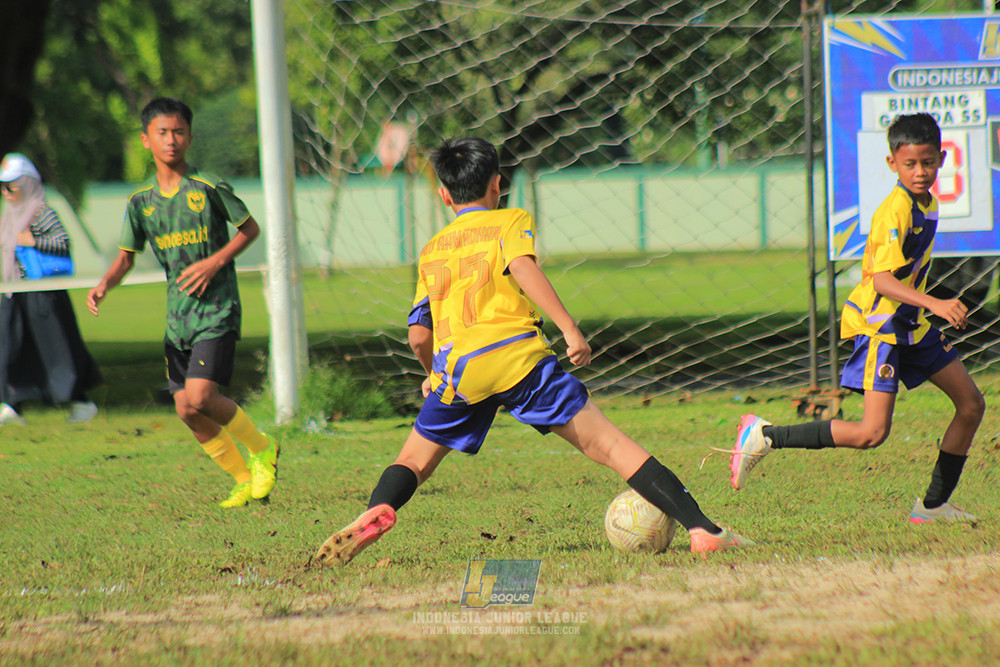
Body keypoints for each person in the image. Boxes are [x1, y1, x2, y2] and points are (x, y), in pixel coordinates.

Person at [315, 136, 752, 566]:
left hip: (459, 372)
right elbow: (522, 267)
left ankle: (374, 509)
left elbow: (417, 335)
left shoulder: (432, 250)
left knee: (412, 460)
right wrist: (570, 329)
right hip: (516, 360)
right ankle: (704, 530)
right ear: (497, 185)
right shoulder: (509, 220)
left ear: (443, 195)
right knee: (612, 446)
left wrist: (432, 373)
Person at [730, 113, 985, 524]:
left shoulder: (929, 202)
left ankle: (933, 507)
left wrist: (924, 308)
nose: (920, 172)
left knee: (971, 404)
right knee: (871, 433)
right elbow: (882, 281)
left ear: (941, 158)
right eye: (909, 164)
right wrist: (935, 302)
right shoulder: (895, 211)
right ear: (892, 164)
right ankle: (764, 436)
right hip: (880, 324)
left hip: (910, 324)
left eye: (928, 162)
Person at [86, 98, 278, 509]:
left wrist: (215, 261)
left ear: (189, 137)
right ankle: (243, 479)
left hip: (216, 310)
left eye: (178, 132)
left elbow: (250, 229)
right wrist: (105, 284)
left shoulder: (208, 187)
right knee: (186, 410)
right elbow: (126, 256)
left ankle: (263, 448)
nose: (171, 140)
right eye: (162, 133)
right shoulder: (141, 202)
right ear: (145, 140)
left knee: (202, 396)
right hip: (178, 319)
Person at [0, 153, 102, 425]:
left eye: (11, 185)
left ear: (27, 184)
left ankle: (80, 401)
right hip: (14, 292)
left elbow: (62, 242)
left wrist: (33, 240)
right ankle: (13, 403)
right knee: (12, 346)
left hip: (44, 293)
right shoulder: (9, 215)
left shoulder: (40, 211)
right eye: (3, 186)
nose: (6, 192)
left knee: (57, 349)